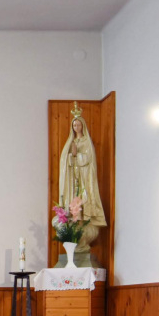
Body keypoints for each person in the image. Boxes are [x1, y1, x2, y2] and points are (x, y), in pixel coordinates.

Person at [56, 103, 108, 267]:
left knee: (83, 197)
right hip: (73, 178)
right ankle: (73, 214)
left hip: (84, 177)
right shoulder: (70, 142)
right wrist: (70, 156)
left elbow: (88, 160)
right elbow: (65, 162)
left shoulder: (86, 142)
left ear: (82, 126)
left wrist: (77, 155)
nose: (76, 127)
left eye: (78, 125)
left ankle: (82, 216)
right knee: (72, 198)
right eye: (74, 125)